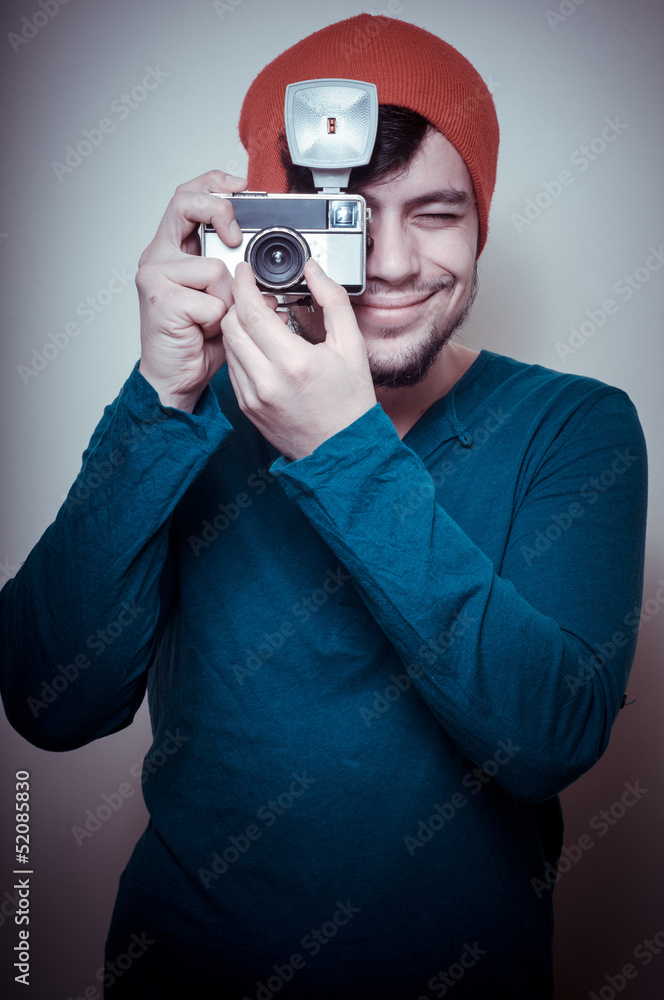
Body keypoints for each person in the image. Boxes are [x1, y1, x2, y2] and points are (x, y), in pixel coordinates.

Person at [0, 14, 648, 1000]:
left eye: (434, 213)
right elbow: (50, 701)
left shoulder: (572, 426)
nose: (386, 266)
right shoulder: (196, 409)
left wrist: (342, 452)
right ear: (260, 226)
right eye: (340, 218)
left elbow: (548, 738)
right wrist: (158, 398)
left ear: (483, 224)